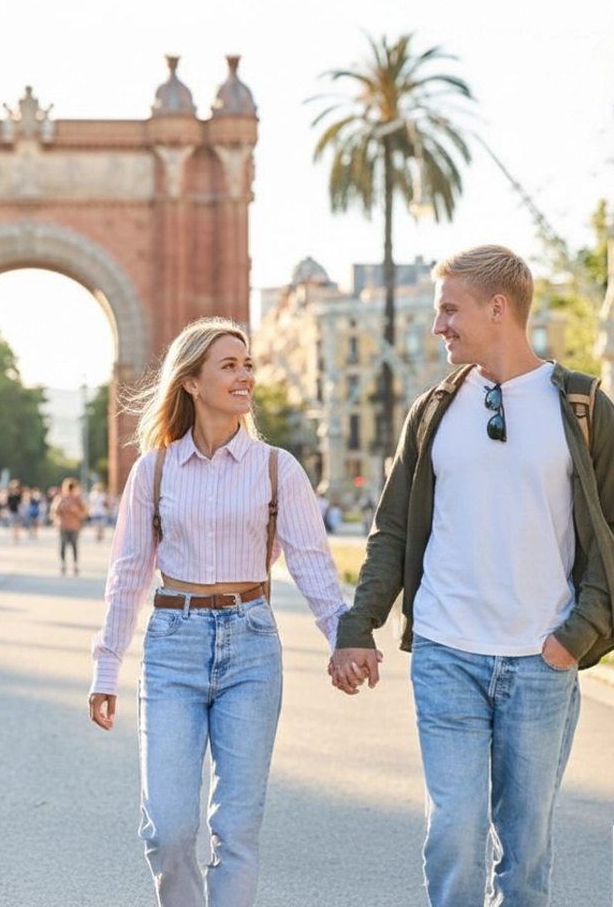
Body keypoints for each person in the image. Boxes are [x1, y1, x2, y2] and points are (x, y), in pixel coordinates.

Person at [330, 245, 614, 907]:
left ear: (497, 308)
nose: (439, 327)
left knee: (524, 854)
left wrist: (579, 633)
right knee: (453, 833)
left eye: (449, 310)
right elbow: (392, 529)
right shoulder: (432, 412)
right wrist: (357, 626)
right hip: (446, 652)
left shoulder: (583, 408)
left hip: (540, 662)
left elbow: (611, 539)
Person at [88, 317, 347, 907]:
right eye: (228, 365)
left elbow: (313, 566)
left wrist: (344, 640)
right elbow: (127, 576)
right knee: (169, 830)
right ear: (191, 383)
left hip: (250, 644)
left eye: (247, 364)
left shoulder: (278, 468)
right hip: (173, 644)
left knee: (236, 830)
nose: (245, 376)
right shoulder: (152, 471)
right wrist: (106, 668)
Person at [50, 478, 88, 575]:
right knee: (63, 546)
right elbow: (54, 512)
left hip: (74, 526)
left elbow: (85, 512)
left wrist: (75, 511)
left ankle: (75, 564)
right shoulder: (61, 499)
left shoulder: (77, 499)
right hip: (63, 526)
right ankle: (63, 563)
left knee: (74, 546)